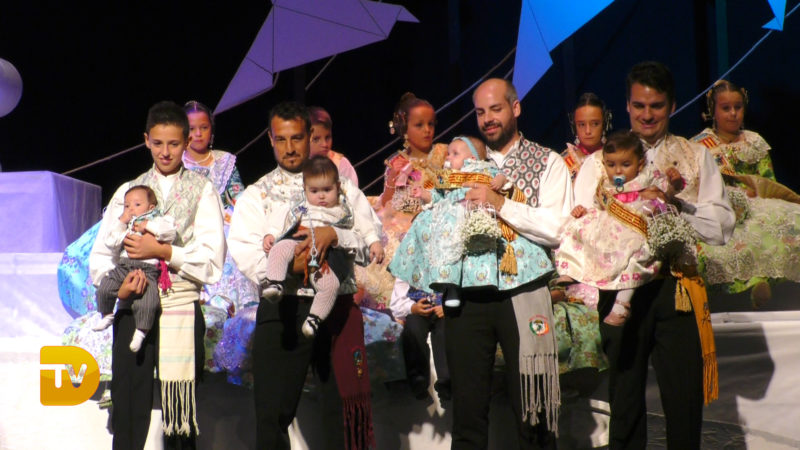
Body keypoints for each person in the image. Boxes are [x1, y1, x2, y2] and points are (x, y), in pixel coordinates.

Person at [573, 61, 735, 449]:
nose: (647, 115)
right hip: (620, 290)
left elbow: (722, 226)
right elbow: (581, 224)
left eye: (656, 106)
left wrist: (673, 206)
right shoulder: (599, 162)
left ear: (672, 106)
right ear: (627, 106)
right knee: (625, 402)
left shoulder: (695, 156)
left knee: (683, 401)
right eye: (639, 106)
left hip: (675, 289)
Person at [228, 101, 381, 449]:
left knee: (341, 415)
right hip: (283, 306)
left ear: (310, 136)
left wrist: (335, 236)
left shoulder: (340, 186)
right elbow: (244, 250)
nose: (289, 147)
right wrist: (288, 268)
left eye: (296, 138)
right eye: (281, 139)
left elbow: (372, 240)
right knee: (272, 416)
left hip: (335, 306)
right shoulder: (258, 194)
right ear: (270, 139)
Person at [440, 78, 572, 449]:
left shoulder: (547, 162)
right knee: (467, 413)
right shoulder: (463, 162)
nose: (487, 119)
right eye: (480, 112)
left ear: (515, 108)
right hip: (468, 295)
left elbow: (558, 228)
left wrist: (501, 204)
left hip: (524, 292)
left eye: (495, 109)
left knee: (534, 409)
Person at [89, 101, 226, 449]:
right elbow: (103, 252)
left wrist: (165, 252)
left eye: (174, 143)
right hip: (133, 304)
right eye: (159, 143)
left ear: (187, 141)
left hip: (181, 304)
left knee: (179, 416)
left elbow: (212, 260)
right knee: (128, 403)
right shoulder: (129, 191)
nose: (166, 152)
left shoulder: (202, 190)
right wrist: (118, 288)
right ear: (146, 140)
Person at [390, 135, 550, 310]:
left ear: (472, 158)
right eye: (448, 154)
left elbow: (502, 179)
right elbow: (437, 196)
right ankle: (451, 288)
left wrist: (500, 180)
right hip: (450, 219)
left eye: (455, 153)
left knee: (482, 247)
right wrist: (424, 194)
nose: (448, 157)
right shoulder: (446, 177)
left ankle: (486, 279)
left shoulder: (483, 169)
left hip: (475, 214)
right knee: (438, 238)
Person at [555, 130, 683, 326]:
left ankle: (622, 305)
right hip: (609, 227)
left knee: (639, 255)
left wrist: (674, 184)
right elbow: (598, 206)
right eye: (611, 165)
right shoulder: (604, 184)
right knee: (576, 227)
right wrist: (584, 211)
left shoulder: (649, 177)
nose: (618, 171)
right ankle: (572, 271)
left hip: (635, 228)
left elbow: (667, 194)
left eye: (625, 164)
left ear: (640, 163)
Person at [691, 80, 800, 306]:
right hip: (721, 207)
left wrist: (757, 192)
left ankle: (763, 282)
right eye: (726, 108)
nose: (733, 113)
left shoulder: (754, 142)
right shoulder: (700, 146)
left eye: (738, 107)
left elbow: (769, 181)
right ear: (713, 111)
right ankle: (748, 284)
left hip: (757, 203)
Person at [261, 155, 384, 337]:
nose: (321, 196)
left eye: (327, 189)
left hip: (326, 256)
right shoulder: (302, 206)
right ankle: (275, 283)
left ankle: (314, 319)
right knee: (280, 248)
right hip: (300, 243)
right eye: (314, 191)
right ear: (305, 189)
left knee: (330, 285)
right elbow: (283, 217)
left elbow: (365, 225)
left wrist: (374, 242)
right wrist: (271, 234)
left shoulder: (344, 209)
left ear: (338, 186)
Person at [356, 92, 448, 312]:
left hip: (435, 215)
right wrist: (392, 180)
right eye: (419, 125)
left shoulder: (443, 153)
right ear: (405, 129)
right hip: (401, 217)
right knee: (389, 243)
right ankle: (396, 307)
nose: (427, 130)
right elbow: (387, 202)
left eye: (431, 124)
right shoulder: (397, 162)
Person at [92, 185, 176, 353]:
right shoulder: (127, 226)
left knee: (149, 301)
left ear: (151, 207)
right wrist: (121, 222)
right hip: (124, 265)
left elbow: (169, 234)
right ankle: (107, 314)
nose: (131, 209)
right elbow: (110, 242)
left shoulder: (158, 219)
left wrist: (148, 226)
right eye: (127, 205)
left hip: (148, 269)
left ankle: (141, 331)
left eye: (137, 205)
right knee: (105, 288)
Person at [388, 278, 449, 402]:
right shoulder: (406, 268)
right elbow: (397, 300)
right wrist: (412, 307)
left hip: (443, 310)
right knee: (413, 330)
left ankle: (446, 381)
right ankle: (417, 380)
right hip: (418, 310)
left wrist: (447, 307)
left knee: (444, 332)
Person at [562, 92, 613, 180]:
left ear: (604, 124)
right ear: (574, 127)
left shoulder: (615, 156)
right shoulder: (564, 161)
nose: (588, 131)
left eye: (595, 124)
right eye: (582, 124)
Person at [309, 106, 359, 186]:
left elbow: (353, 192)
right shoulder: (296, 164)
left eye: (327, 137)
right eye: (316, 139)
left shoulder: (341, 164)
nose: (325, 144)